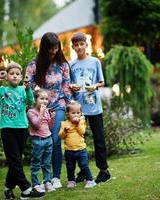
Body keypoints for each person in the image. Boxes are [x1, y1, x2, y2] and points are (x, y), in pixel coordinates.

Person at [0, 61, 45, 200]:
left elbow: (30, 102)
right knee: (15, 161)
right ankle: (26, 189)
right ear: (7, 77)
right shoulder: (1, 90)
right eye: (12, 74)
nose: (15, 76)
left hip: (22, 129)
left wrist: (27, 89)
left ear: (21, 77)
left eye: (17, 74)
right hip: (8, 129)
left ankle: (8, 190)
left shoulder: (23, 89)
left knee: (15, 161)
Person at [26, 32, 72, 188]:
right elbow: (29, 83)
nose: (53, 51)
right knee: (43, 141)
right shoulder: (34, 64)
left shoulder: (63, 64)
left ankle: (56, 177)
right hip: (41, 108)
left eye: (56, 48)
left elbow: (66, 86)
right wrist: (37, 92)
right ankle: (44, 178)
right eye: (50, 48)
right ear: (44, 48)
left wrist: (70, 104)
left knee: (55, 139)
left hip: (58, 105)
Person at [69, 32, 111, 184]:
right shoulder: (71, 64)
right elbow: (70, 85)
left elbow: (101, 82)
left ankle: (104, 171)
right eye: (76, 45)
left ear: (86, 45)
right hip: (78, 109)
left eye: (82, 44)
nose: (79, 47)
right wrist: (72, 87)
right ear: (73, 47)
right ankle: (83, 171)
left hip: (94, 107)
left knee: (99, 139)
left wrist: (94, 86)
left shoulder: (95, 62)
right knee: (79, 141)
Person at [59, 101, 96, 188]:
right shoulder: (64, 124)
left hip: (81, 149)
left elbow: (82, 132)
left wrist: (77, 124)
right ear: (68, 114)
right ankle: (71, 180)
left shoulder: (81, 122)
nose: (76, 115)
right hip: (69, 150)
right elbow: (61, 136)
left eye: (78, 113)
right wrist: (64, 130)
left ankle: (90, 180)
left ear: (81, 113)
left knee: (84, 165)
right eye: (73, 113)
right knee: (70, 167)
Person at [27, 89, 56, 193]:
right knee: (36, 163)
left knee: (47, 163)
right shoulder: (31, 112)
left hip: (48, 139)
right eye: (42, 98)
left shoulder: (46, 111)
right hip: (38, 141)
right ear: (35, 100)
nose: (45, 101)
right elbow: (37, 125)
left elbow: (49, 126)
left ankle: (47, 182)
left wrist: (52, 118)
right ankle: (35, 184)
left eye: (46, 99)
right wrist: (42, 113)